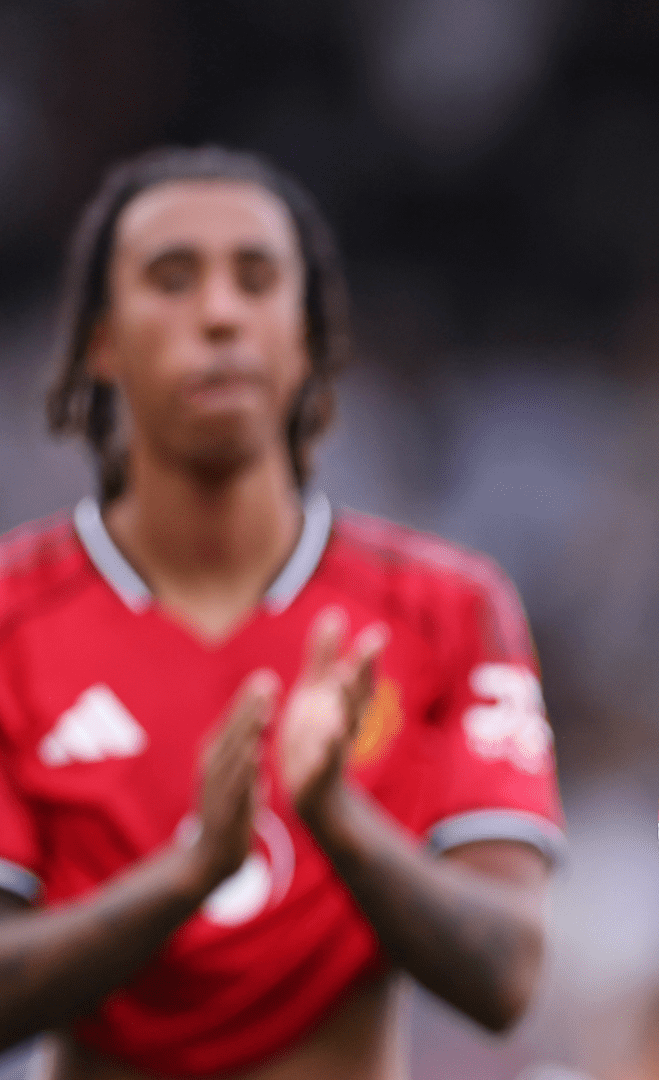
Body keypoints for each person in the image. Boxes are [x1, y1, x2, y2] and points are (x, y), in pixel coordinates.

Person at [0, 146, 564, 1079]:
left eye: (257, 280)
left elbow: (506, 974)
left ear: (305, 342)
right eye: (172, 279)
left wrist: (335, 815)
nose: (220, 314)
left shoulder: (448, 609)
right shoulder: (13, 618)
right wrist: (188, 877)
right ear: (102, 343)